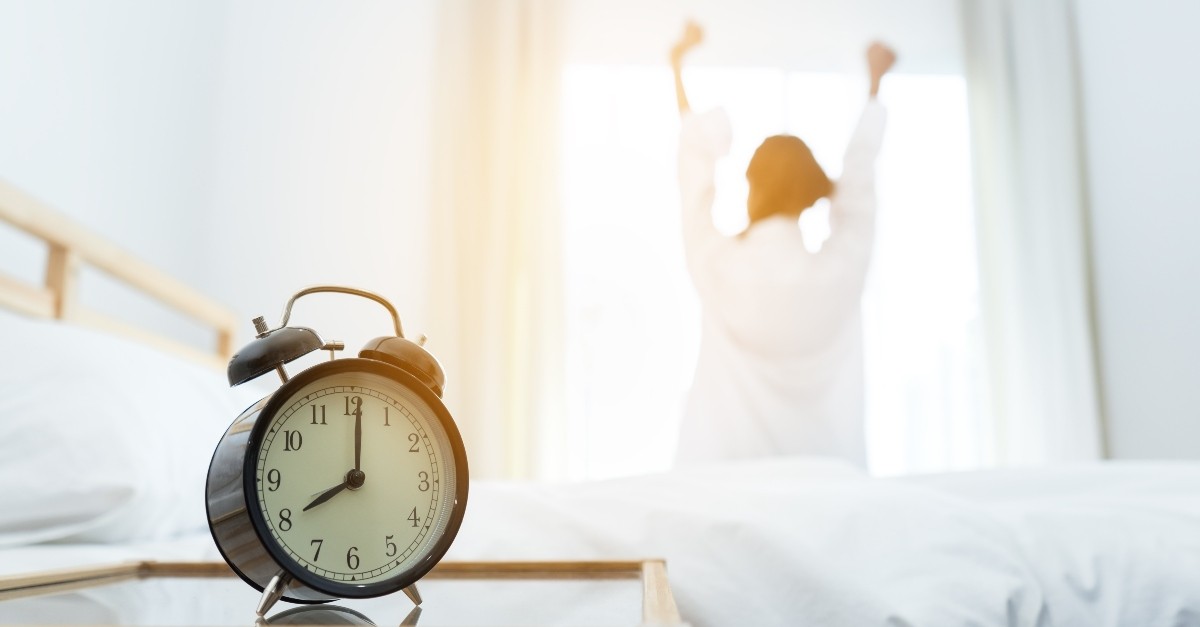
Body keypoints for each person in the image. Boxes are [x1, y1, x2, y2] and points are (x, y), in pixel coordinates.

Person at [670, 21, 895, 467]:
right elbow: (858, 185)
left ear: (751, 186)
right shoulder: (840, 272)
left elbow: (695, 169)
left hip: (720, 484)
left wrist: (676, 67)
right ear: (814, 189)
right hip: (827, 488)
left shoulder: (717, 266)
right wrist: (874, 84)